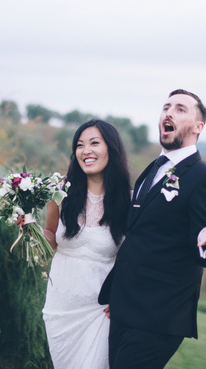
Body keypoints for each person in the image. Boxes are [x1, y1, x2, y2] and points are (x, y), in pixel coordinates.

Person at [99, 89, 206, 369]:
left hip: (158, 317)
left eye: (181, 109)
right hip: (124, 307)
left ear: (199, 127)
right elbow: (139, 231)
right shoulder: (153, 169)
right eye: (166, 107)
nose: (168, 113)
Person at [41, 119, 132, 369]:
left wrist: (122, 296)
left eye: (94, 143)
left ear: (111, 149)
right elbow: (51, 236)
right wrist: (30, 228)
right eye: (80, 145)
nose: (86, 150)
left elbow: (134, 258)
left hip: (100, 311)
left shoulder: (129, 201)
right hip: (61, 307)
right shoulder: (60, 191)